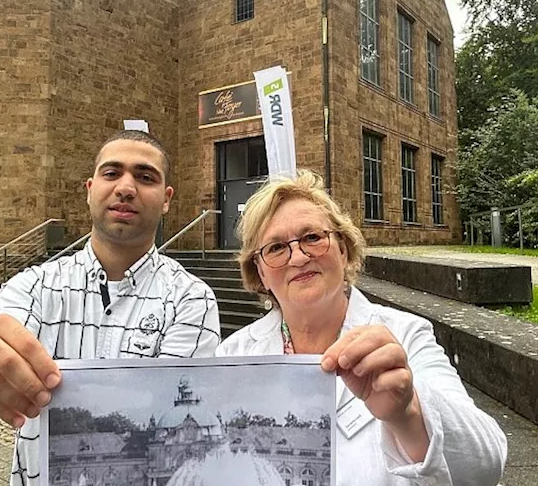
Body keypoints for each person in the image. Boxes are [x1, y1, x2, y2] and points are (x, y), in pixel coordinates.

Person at [0, 130, 222, 486]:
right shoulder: (33, 287)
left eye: (145, 177)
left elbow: (173, 415)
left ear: (166, 199)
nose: (126, 188)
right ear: (89, 190)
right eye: (112, 173)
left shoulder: (191, 299)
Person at [216, 170, 507, 486]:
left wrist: (408, 414)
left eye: (312, 237)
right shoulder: (233, 355)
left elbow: (486, 467)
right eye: (275, 247)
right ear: (259, 272)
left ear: (342, 249)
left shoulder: (405, 336)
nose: (298, 257)